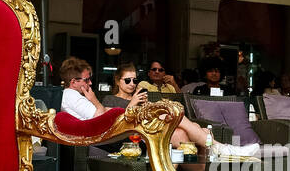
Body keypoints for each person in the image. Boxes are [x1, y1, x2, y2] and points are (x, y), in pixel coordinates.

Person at [106, 60, 258, 156]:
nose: (132, 83)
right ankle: (220, 148)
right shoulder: (110, 99)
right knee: (178, 119)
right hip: (135, 137)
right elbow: (113, 125)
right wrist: (133, 103)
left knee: (192, 129)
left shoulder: (141, 97)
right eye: (127, 80)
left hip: (154, 130)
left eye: (134, 80)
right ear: (117, 81)